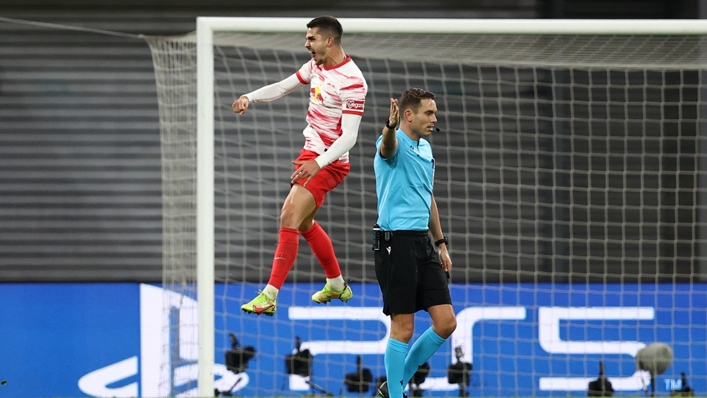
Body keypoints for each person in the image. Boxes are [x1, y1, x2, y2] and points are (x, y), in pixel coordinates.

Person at [232, 16, 368, 316]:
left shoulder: (353, 81)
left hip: (330, 161)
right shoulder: (316, 66)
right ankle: (335, 282)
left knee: (289, 215)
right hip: (311, 153)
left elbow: (349, 137)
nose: (306, 44)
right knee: (304, 223)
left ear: (329, 40)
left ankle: (269, 295)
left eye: (311, 39)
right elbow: (282, 87)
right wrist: (249, 97)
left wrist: (318, 164)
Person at [372, 88, 457, 398]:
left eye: (434, 113)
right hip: (396, 244)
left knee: (446, 322)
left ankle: (393, 385)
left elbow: (427, 196)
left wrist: (441, 243)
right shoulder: (390, 142)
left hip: (422, 242)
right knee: (403, 328)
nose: (435, 119)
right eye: (429, 113)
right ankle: (395, 395)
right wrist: (389, 126)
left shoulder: (426, 149)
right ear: (408, 115)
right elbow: (388, 146)